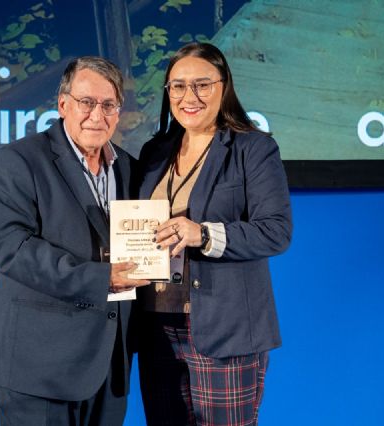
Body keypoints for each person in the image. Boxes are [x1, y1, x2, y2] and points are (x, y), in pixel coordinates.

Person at [0, 56, 150, 426]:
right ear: (63, 105)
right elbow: (10, 247)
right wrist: (100, 278)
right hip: (40, 366)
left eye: (108, 105)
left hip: (109, 366)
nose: (97, 115)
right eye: (86, 102)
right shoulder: (20, 160)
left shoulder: (128, 167)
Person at [136, 42, 292, 425]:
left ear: (224, 87)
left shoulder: (252, 149)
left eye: (202, 85)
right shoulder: (154, 151)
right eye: (178, 86)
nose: (189, 96)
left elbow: (276, 231)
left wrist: (203, 234)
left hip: (225, 328)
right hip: (156, 324)